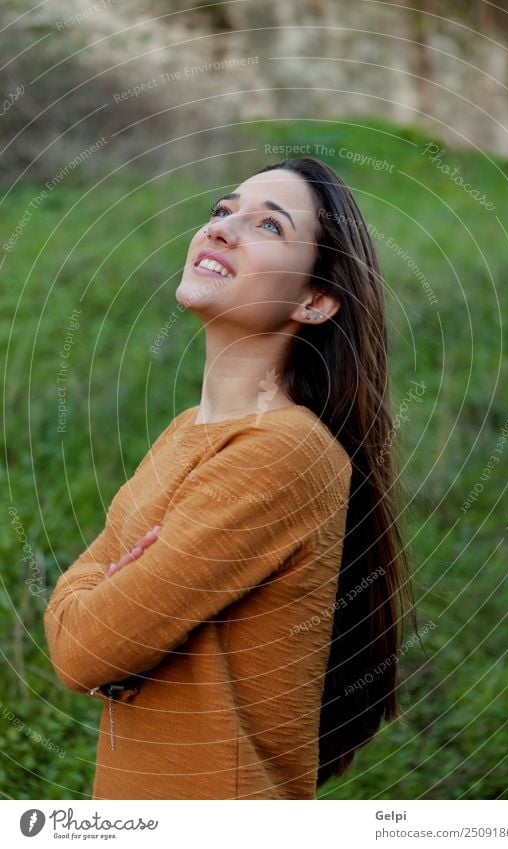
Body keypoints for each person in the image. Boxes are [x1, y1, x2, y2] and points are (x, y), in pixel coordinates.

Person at [44, 156, 416, 800]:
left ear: (315, 300)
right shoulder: (186, 432)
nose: (221, 228)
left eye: (269, 226)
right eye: (222, 211)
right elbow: (76, 622)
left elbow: (85, 649)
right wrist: (109, 588)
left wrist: (110, 584)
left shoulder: (282, 453)